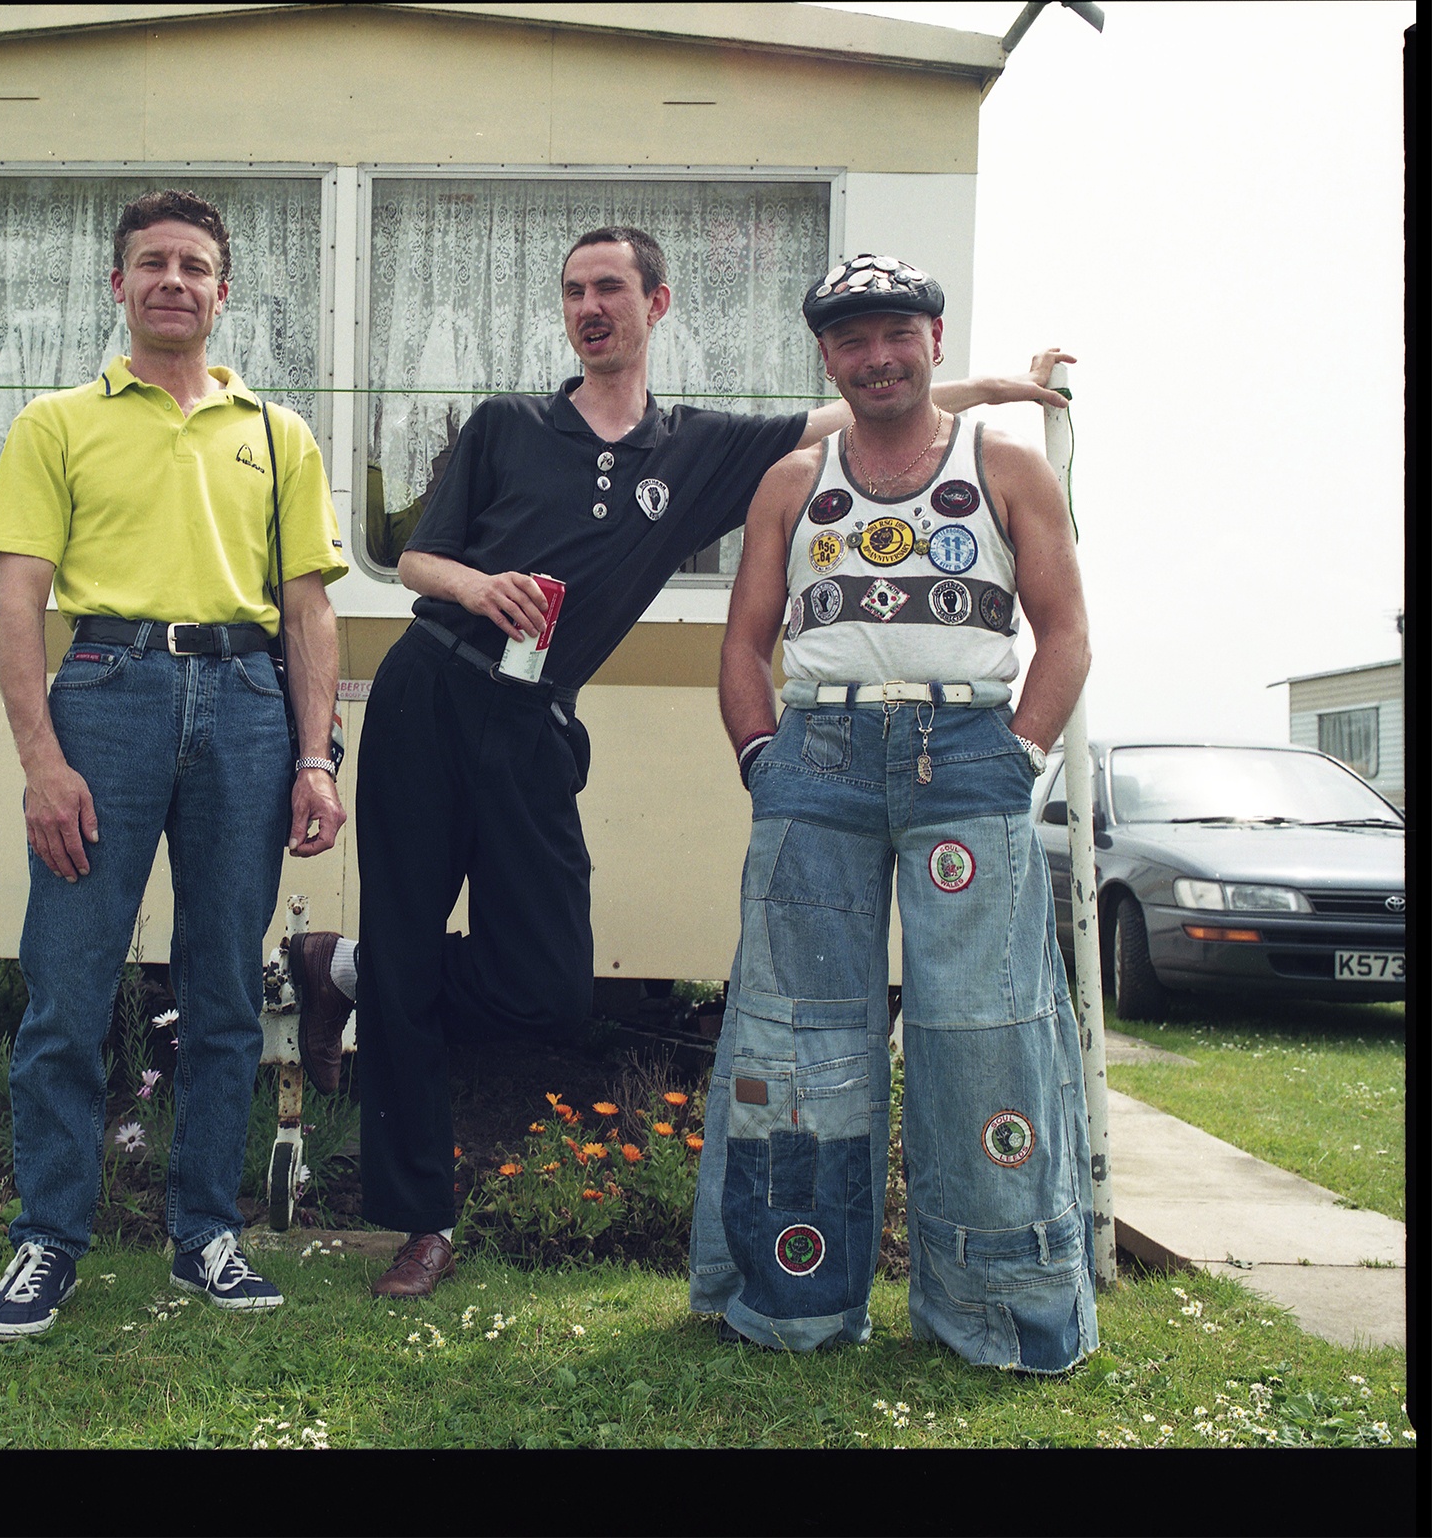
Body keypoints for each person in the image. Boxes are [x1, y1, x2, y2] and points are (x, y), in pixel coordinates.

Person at [286, 226, 1072, 1299]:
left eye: (610, 287)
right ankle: (419, 1221)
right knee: (414, 948)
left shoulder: (696, 449)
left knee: (548, 983)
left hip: (534, 720)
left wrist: (994, 386)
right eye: (572, 290)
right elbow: (419, 554)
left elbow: (864, 401)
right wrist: (476, 585)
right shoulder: (507, 425)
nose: (589, 305)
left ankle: (343, 968)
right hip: (433, 686)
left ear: (657, 304)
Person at [689, 252, 1096, 1373]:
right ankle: (791, 1299)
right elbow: (741, 640)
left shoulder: (1004, 466)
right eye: (850, 339)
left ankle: (1000, 1313)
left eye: (894, 334)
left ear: (931, 337)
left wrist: (1016, 756)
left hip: (967, 753)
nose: (874, 356)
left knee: (986, 1033)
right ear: (826, 354)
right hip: (815, 756)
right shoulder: (791, 480)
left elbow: (1061, 629)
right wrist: (761, 756)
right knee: (796, 1034)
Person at [0, 190, 348, 1339]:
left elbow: (307, 610)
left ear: (222, 291)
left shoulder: (276, 436)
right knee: (68, 989)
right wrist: (41, 758)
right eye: (151, 263)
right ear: (119, 285)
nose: (173, 280)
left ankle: (205, 1235)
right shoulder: (56, 422)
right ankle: (47, 1239)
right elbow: (19, 599)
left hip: (243, 702)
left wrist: (315, 755)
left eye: (194, 264)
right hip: (107, 696)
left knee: (227, 990)